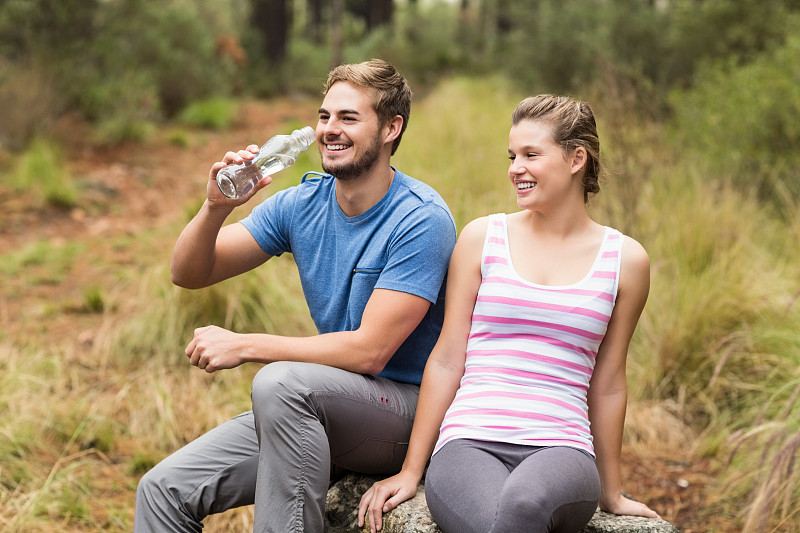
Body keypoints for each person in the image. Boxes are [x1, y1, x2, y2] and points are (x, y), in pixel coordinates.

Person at [133, 59, 457, 533]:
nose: (330, 130)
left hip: (405, 413)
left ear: (392, 128)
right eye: (325, 116)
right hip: (320, 404)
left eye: (349, 118)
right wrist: (214, 208)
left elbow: (371, 351)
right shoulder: (300, 204)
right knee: (162, 491)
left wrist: (246, 344)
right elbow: (189, 273)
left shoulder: (420, 219)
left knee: (279, 383)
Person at [357, 94, 661, 533]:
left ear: (577, 158)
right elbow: (447, 358)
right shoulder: (482, 238)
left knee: (522, 505)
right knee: (499, 518)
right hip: (468, 444)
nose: (515, 168)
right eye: (512, 155)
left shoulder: (625, 260)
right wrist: (410, 471)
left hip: (563, 450)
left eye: (531, 155)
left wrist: (612, 493)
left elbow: (610, 381)